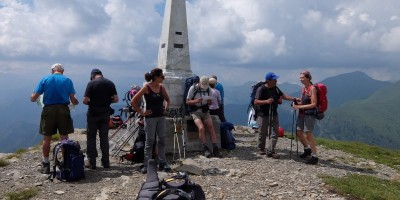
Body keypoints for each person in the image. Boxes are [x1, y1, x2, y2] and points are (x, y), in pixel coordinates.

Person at [30, 63, 79, 174]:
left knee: (47, 138)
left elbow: (34, 98)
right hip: (63, 109)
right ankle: (65, 162)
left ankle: (46, 164)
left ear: (52, 70)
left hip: (48, 110)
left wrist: (32, 97)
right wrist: (76, 102)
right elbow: (73, 99)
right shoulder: (67, 80)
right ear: (63, 71)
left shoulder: (45, 79)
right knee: (64, 137)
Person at [131, 68, 171, 174]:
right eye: (162, 76)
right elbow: (133, 101)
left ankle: (162, 162)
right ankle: (147, 164)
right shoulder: (147, 87)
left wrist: (166, 109)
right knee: (150, 141)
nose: (163, 78)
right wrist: (142, 113)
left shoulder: (161, 87)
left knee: (161, 140)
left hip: (161, 117)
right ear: (156, 77)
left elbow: (167, 99)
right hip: (150, 119)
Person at [254, 72, 296, 159]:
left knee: (275, 132)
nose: (276, 81)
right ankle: (261, 148)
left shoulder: (275, 88)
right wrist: (266, 101)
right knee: (263, 132)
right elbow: (256, 101)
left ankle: (270, 150)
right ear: (268, 80)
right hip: (263, 114)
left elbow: (284, 96)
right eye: (274, 79)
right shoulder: (261, 89)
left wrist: (294, 99)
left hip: (274, 113)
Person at [83, 68, 119, 169]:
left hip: (93, 114)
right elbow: (116, 99)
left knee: (91, 138)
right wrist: (107, 101)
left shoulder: (91, 83)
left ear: (92, 76)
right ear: (101, 74)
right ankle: (106, 162)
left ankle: (92, 162)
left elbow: (85, 101)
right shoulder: (110, 83)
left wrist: (93, 103)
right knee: (104, 138)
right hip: (105, 114)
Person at [186, 76, 222, 158]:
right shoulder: (193, 88)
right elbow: (187, 101)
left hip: (205, 111)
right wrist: (196, 101)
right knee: (201, 128)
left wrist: (209, 101)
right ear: (199, 82)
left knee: (211, 127)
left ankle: (215, 148)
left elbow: (210, 103)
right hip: (195, 111)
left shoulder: (208, 89)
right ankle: (204, 148)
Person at [293, 70, 319, 165]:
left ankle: (315, 156)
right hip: (302, 113)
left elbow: (313, 104)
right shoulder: (304, 88)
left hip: (309, 114)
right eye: (300, 78)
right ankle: (307, 149)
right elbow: (304, 102)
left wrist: (299, 106)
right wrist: (297, 103)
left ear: (308, 78)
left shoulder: (313, 89)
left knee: (308, 134)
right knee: (299, 132)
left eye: (302, 78)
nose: (301, 79)